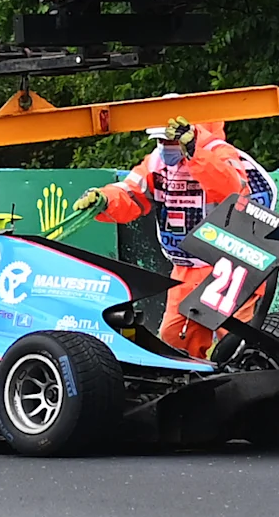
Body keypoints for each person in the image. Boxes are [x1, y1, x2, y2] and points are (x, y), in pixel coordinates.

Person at [92, 117, 265, 355]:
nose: (164, 145)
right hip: (185, 268)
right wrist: (104, 199)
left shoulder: (219, 152)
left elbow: (232, 187)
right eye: (160, 140)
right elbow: (131, 193)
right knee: (175, 341)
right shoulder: (155, 163)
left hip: (232, 265)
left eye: (169, 139)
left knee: (237, 343)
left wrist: (195, 153)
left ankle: (249, 384)